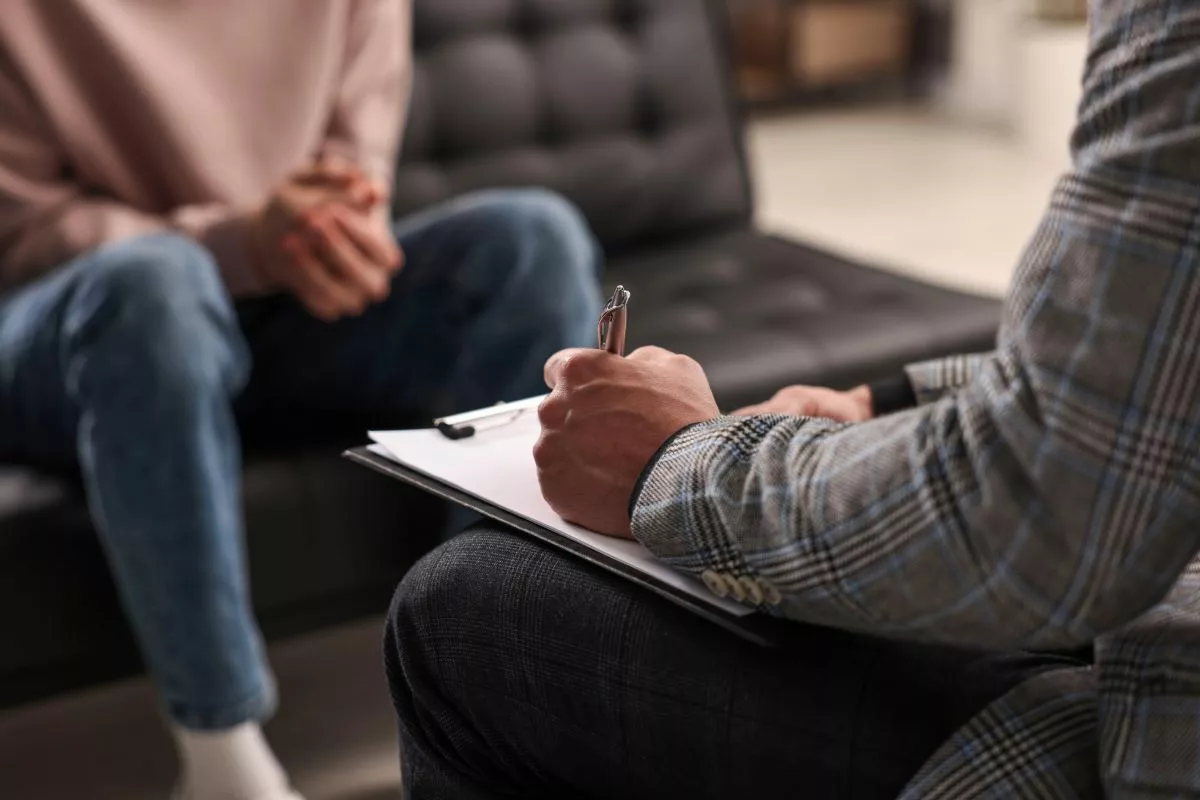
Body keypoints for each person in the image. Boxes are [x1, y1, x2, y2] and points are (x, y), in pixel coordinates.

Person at [384, 0, 1200, 797]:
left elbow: (1047, 519)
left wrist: (671, 464)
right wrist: (888, 403)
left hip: (1151, 729)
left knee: (457, 609)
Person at [0, 2, 601, 799]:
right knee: (154, 284)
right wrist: (238, 243)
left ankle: (480, 693)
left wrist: (328, 235)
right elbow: (23, 235)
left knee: (533, 239)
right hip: (71, 323)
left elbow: (354, 181)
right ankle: (222, 756)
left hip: (281, 307)